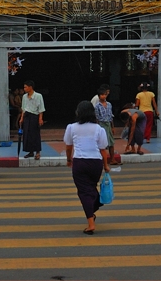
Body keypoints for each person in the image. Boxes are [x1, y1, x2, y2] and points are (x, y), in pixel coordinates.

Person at [64, 100, 111, 235]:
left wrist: (69, 160)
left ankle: (91, 223)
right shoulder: (99, 129)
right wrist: (106, 166)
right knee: (90, 188)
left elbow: (68, 146)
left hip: (80, 162)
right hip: (96, 163)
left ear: (78, 112)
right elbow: (103, 150)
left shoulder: (71, 127)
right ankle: (94, 208)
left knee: (84, 192)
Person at [91, 85, 117, 164]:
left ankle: (112, 159)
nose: (104, 96)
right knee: (102, 143)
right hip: (101, 125)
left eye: (105, 94)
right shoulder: (97, 106)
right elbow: (97, 118)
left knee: (111, 142)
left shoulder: (109, 104)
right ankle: (101, 160)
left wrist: (112, 127)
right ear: (99, 96)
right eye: (102, 95)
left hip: (108, 124)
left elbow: (111, 116)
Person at [20, 80, 45, 159]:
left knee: (35, 134)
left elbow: (41, 108)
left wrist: (40, 119)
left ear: (30, 87)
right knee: (27, 134)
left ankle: (37, 152)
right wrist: (21, 118)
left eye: (25, 87)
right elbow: (23, 109)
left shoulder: (38, 96)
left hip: (34, 116)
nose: (24, 89)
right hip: (27, 116)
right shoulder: (24, 97)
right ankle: (30, 152)